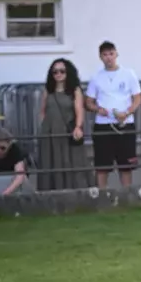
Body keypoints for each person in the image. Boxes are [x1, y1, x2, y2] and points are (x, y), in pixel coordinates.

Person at [85, 41, 141, 189]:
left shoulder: (129, 74)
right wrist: (98, 109)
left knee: (126, 165)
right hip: (103, 125)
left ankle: (127, 195)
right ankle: (102, 196)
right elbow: (88, 102)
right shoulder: (96, 77)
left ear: (116, 54)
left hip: (125, 124)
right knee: (102, 165)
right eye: (105, 55)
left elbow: (137, 98)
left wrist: (127, 112)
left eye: (111, 54)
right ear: (100, 57)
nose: (109, 58)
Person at [37, 58, 93, 190]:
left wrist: (78, 127)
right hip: (49, 132)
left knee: (71, 161)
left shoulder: (75, 90)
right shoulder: (48, 90)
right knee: (50, 162)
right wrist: (44, 126)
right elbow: (42, 110)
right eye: (55, 72)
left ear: (68, 72)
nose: (58, 74)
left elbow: (79, 111)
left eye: (62, 71)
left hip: (67, 131)